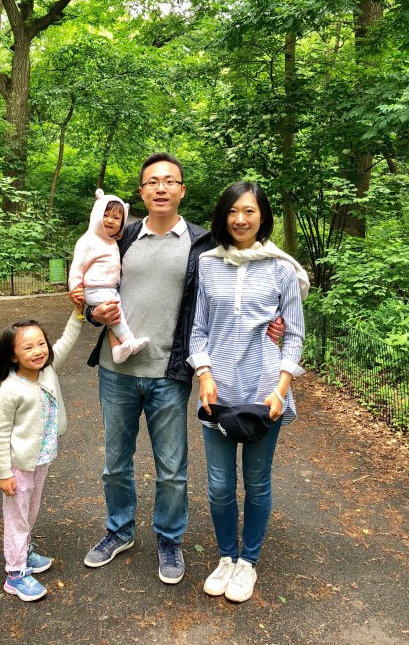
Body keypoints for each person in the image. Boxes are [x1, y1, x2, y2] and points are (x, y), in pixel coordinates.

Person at [83, 154, 286, 585]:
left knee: (172, 468)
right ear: (141, 191)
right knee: (115, 463)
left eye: (169, 181)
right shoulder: (121, 236)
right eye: (152, 181)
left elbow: (241, 274)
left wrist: (274, 318)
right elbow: (91, 282)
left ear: (181, 190)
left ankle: (170, 539)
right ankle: (119, 530)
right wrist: (90, 311)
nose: (161, 188)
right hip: (116, 369)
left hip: (170, 373)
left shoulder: (202, 244)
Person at [187, 181, 308, 603]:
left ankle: (248, 562)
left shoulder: (281, 269)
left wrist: (280, 389)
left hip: (263, 391)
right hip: (217, 392)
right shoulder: (207, 264)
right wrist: (204, 374)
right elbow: (198, 329)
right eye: (233, 211)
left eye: (249, 211)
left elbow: (294, 335)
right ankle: (226, 557)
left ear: (262, 217)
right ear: (223, 216)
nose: (240, 219)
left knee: (257, 482)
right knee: (220, 485)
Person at [0, 303, 84, 601]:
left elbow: (66, 341)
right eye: (28, 347)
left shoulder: (47, 372)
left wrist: (78, 313)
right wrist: (4, 474)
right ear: (12, 355)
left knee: (30, 511)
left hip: (41, 459)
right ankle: (15, 573)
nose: (38, 351)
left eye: (41, 343)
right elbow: (0, 435)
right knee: (17, 517)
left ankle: (25, 551)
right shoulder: (9, 391)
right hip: (19, 466)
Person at [68, 189, 149, 364]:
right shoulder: (89, 240)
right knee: (115, 312)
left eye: (116, 217)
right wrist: (75, 288)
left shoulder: (112, 240)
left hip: (110, 288)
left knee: (116, 314)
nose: (110, 220)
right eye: (105, 215)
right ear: (96, 215)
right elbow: (77, 267)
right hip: (95, 288)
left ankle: (117, 350)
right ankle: (128, 341)